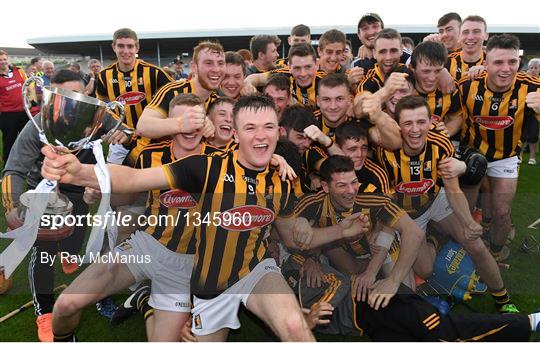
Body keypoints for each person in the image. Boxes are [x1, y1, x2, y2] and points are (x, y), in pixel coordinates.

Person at [41, 95, 370, 341]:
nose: (260, 136)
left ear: (277, 131)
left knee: (295, 328)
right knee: (67, 305)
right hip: (163, 254)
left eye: (268, 127)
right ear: (235, 134)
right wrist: (81, 171)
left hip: (245, 269)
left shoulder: (284, 178)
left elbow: (297, 236)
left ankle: (151, 302)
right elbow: (132, 179)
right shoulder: (205, 167)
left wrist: (343, 229)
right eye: (250, 128)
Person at [1, 69, 131, 342]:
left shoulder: (98, 117)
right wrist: (12, 206)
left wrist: (124, 136)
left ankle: (69, 253)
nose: (71, 102)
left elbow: (129, 133)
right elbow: (12, 170)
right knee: (44, 250)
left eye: (77, 95)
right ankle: (45, 311)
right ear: (50, 98)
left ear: (87, 94)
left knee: (76, 235)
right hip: (45, 192)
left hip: (82, 190)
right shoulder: (36, 125)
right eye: (61, 96)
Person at [376, 95, 518, 314]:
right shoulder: (383, 150)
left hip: (436, 200)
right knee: (426, 269)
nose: (415, 130)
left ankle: (502, 297)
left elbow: (452, 189)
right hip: (407, 216)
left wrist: (468, 222)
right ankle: (435, 238)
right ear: (397, 125)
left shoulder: (440, 143)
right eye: (408, 123)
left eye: (421, 122)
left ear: (430, 123)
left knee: (475, 243)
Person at [459, 34, 540, 260]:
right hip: (472, 153)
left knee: (502, 211)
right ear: (485, 63)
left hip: (505, 157)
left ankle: (495, 252)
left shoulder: (533, 87)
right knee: (463, 211)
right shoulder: (467, 85)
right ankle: (462, 250)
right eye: (498, 62)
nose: (506, 69)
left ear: (519, 63)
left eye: (512, 62)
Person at [96, 27, 173, 166]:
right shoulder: (103, 76)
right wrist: (111, 128)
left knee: (147, 181)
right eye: (121, 46)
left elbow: (175, 101)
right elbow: (103, 107)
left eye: (130, 46)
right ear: (114, 47)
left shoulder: (154, 72)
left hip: (150, 138)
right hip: (120, 137)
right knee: (112, 181)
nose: (126, 51)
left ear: (137, 48)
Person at [136, 41, 224, 143]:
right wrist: (181, 124)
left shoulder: (217, 101)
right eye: (208, 63)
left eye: (221, 63)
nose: (216, 69)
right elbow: (143, 126)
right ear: (194, 67)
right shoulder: (173, 91)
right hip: (151, 156)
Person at [244, 43, 326, 109]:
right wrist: (248, 85)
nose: (303, 73)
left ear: (317, 65)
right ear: (289, 67)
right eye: (297, 68)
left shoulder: (326, 82)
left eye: (308, 67)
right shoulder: (283, 75)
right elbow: (255, 78)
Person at [0, 49, 30, 163]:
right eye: (0, 60)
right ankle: (8, 167)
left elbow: (28, 85)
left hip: (24, 111)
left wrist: (31, 100)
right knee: (9, 141)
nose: (3, 62)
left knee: (27, 139)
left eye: (4, 59)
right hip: (8, 115)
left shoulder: (19, 71)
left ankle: (28, 163)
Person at [446, 15, 488, 81]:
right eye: (465, 32)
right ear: (459, 36)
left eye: (476, 31)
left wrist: (489, 70)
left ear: (486, 35)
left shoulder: (495, 62)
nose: (470, 37)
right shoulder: (446, 62)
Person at [523, 58, 540, 165]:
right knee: (521, 135)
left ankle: (532, 157)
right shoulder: (523, 80)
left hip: (535, 113)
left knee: (533, 135)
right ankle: (518, 156)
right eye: (531, 68)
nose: (533, 70)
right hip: (522, 111)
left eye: (536, 68)